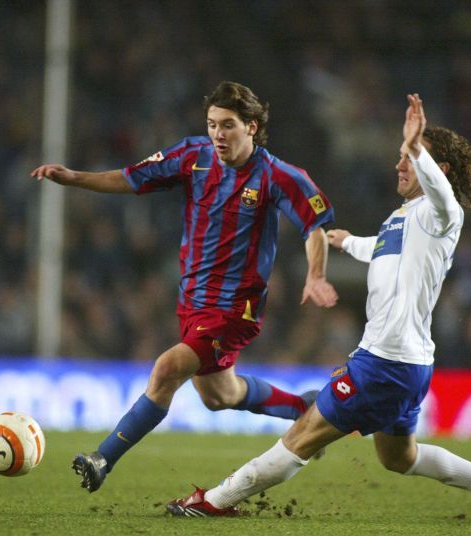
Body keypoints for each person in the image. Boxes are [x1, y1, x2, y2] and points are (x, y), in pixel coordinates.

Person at [166, 94, 471, 524]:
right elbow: (382, 249)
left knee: (303, 434)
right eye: (401, 157)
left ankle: (215, 499)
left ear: (435, 170)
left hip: (384, 362)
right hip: (408, 364)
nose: (399, 166)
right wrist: (346, 242)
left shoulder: (442, 214)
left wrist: (418, 145)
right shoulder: (405, 217)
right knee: (398, 457)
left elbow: (442, 194)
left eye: (406, 159)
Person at [31, 81, 339, 493]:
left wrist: (315, 275)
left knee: (166, 369)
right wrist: (74, 178)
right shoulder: (193, 156)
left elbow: (315, 227)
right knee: (219, 394)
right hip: (193, 299)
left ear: (251, 127)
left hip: (235, 308)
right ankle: (305, 407)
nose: (218, 134)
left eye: (227, 125)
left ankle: (102, 458)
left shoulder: (277, 176)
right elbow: (132, 178)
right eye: (212, 124)